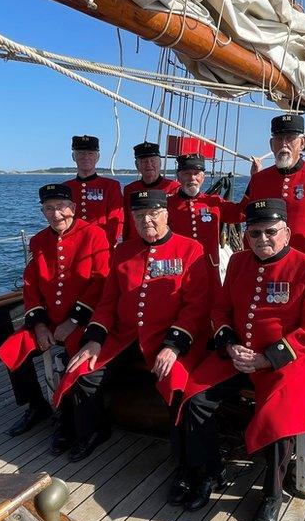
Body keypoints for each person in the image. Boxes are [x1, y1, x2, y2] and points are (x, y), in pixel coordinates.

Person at [178, 199, 305, 521]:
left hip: (284, 362)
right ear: (245, 236)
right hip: (238, 355)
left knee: (278, 419)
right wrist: (229, 343)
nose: (262, 239)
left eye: (270, 231)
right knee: (195, 399)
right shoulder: (237, 262)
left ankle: (272, 495)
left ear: (287, 233)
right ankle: (210, 470)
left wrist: (268, 358)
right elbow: (220, 310)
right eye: (254, 233)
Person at [55, 189, 211, 464]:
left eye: (153, 214)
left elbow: (195, 307)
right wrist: (94, 339)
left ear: (166, 214)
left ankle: (183, 459)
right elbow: (108, 301)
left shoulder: (190, 249)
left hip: (166, 339)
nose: (146, 221)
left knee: (175, 383)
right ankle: (93, 431)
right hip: (125, 337)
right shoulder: (123, 251)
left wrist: (173, 346)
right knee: (83, 372)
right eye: (139, 216)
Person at [0, 184, 111, 447]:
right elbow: (31, 286)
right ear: (42, 212)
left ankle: (69, 418)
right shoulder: (38, 241)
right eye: (49, 208)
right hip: (48, 322)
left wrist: (73, 321)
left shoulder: (95, 235)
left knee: (74, 363)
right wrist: (38, 325)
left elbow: (100, 283)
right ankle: (37, 406)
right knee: (12, 350)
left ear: (73, 208)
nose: (56, 214)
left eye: (61, 207)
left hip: (83, 321)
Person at [243, 114, 305, 259]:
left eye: (290, 138)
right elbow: (251, 224)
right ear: (271, 144)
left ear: (302, 143)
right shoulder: (259, 179)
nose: (284, 144)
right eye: (278, 139)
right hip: (268, 261)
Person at [166, 154, 243, 287]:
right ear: (178, 177)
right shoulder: (167, 204)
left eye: (196, 173)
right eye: (186, 174)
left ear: (203, 177)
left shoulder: (214, 202)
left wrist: (255, 179)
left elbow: (240, 214)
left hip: (210, 268)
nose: (192, 178)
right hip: (179, 268)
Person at [63, 135, 124, 246]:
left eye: (90, 153)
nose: (86, 157)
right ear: (73, 156)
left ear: (97, 157)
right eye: (81, 153)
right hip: (73, 246)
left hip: (101, 246)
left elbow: (116, 220)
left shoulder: (111, 186)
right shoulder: (65, 188)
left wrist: (106, 245)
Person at [122, 142, 180, 242]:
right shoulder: (130, 190)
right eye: (144, 161)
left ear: (160, 163)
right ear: (137, 165)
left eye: (153, 160)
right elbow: (127, 221)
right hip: (136, 244)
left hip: (164, 244)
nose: (149, 164)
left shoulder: (175, 187)